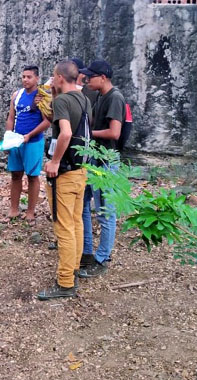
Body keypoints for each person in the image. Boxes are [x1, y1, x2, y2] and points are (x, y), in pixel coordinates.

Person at [37, 60, 92, 300]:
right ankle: (75, 268)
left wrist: (55, 161)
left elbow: (66, 133)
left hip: (66, 172)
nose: (51, 79)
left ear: (59, 77)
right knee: (76, 222)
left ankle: (66, 282)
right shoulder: (83, 98)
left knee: (64, 226)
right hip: (81, 170)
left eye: (53, 76)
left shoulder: (62, 101)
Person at [77, 60, 125, 278]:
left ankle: (103, 257)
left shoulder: (115, 97)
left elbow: (114, 133)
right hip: (94, 159)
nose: (87, 80)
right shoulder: (99, 96)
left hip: (105, 160)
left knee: (105, 212)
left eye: (91, 77)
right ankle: (87, 251)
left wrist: (87, 135)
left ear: (103, 77)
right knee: (84, 204)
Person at [5, 65, 51, 223]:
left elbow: (47, 122)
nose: (25, 79)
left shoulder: (42, 97)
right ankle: (13, 209)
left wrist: (29, 135)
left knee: (32, 176)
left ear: (37, 78)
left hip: (33, 142)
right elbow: (11, 117)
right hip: (16, 141)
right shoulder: (16, 95)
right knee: (15, 174)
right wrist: (8, 139)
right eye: (23, 76)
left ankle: (31, 211)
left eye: (29, 77)